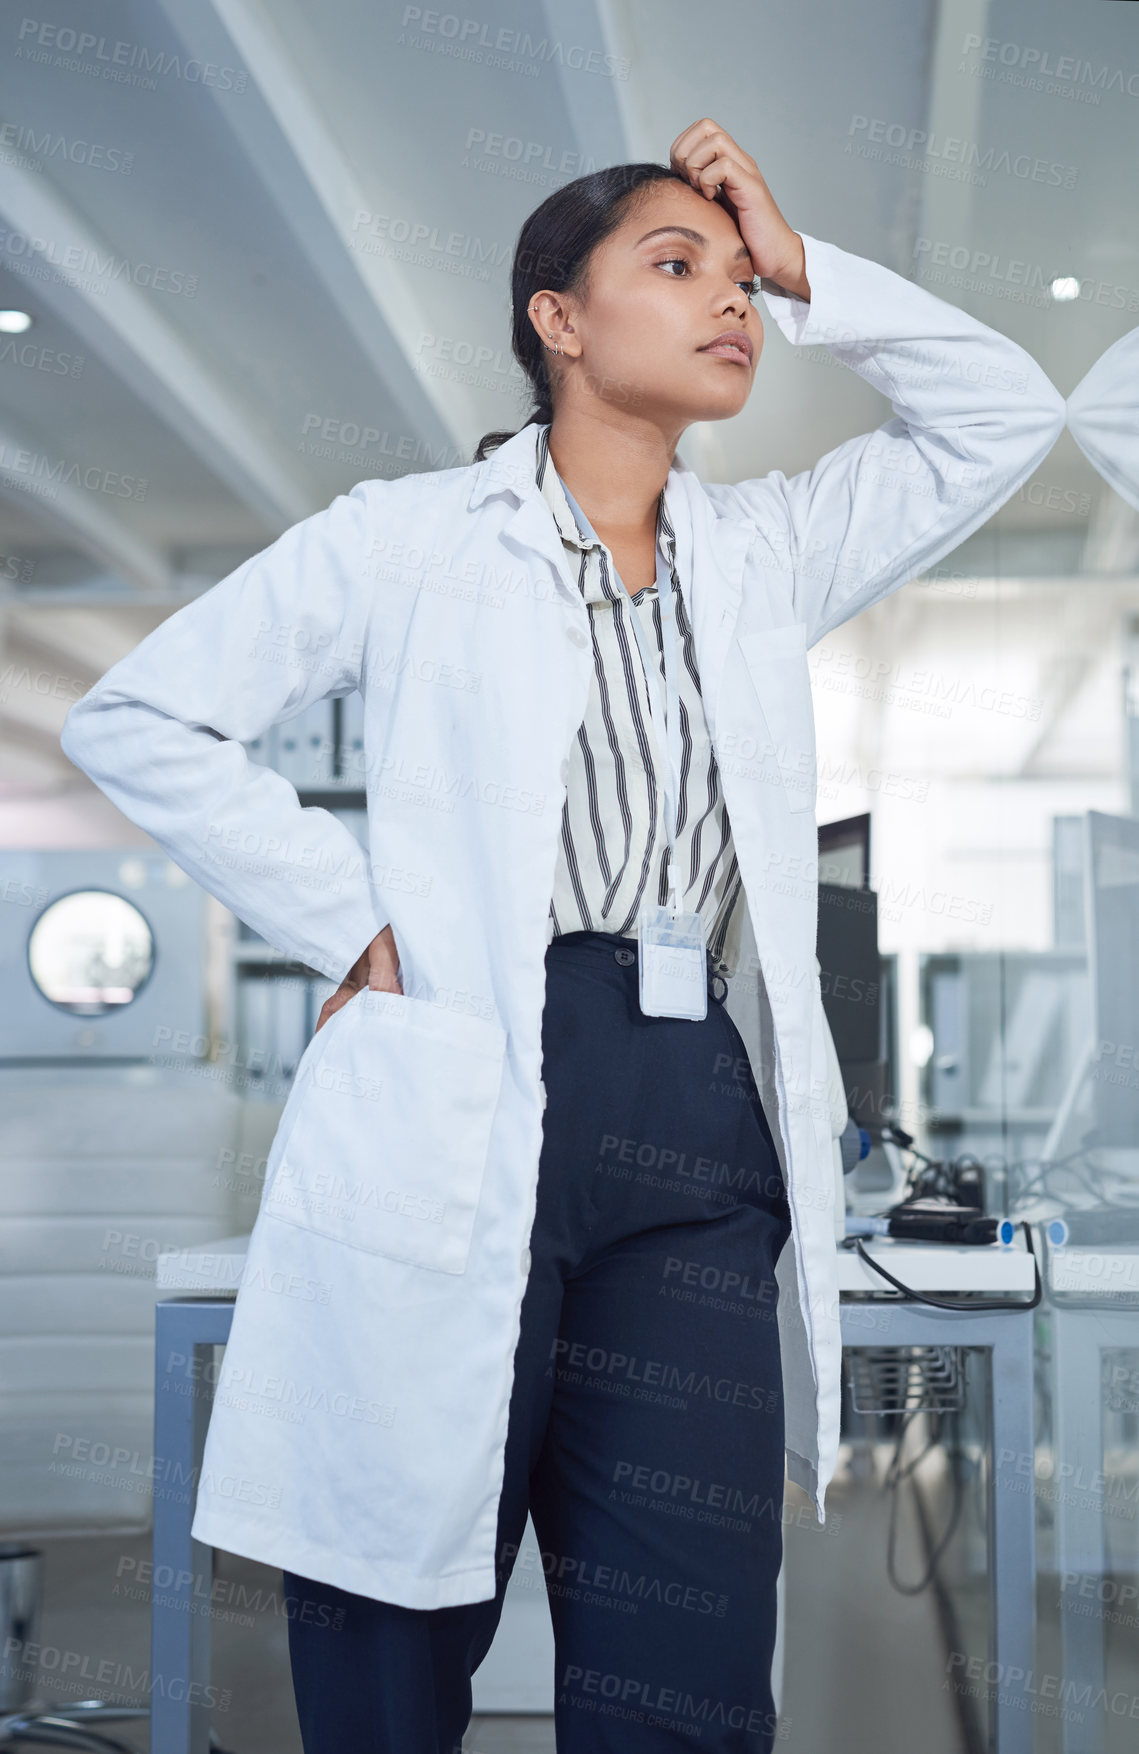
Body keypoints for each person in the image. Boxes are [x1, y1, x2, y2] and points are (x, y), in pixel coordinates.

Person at [60, 120, 1067, 1752]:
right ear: (559, 319)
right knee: (393, 1646)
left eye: (741, 280)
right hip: (469, 1084)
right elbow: (144, 715)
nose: (729, 301)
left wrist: (813, 269)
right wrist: (352, 921)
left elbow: (1004, 415)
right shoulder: (408, 538)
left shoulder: (764, 553)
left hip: (693, 1129)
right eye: (679, 267)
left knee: (684, 1670)